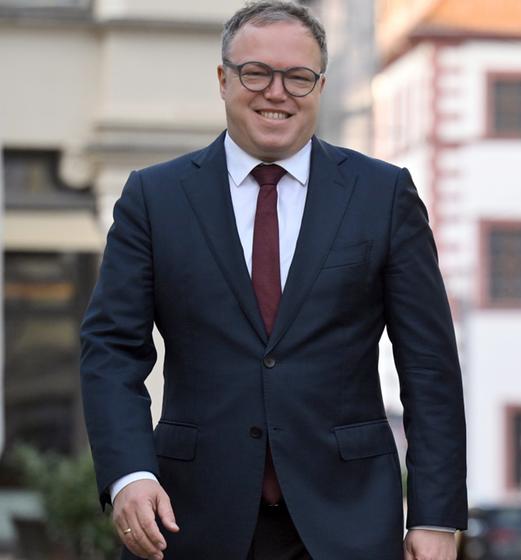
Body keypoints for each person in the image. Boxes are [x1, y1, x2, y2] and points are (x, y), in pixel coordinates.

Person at [78, 2, 466, 559]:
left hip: (349, 521)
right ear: (223, 79)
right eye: (256, 73)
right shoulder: (154, 198)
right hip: (189, 520)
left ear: (320, 86)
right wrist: (129, 474)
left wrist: (435, 515)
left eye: (298, 77)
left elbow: (429, 366)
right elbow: (112, 349)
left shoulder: (383, 195)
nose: (276, 92)